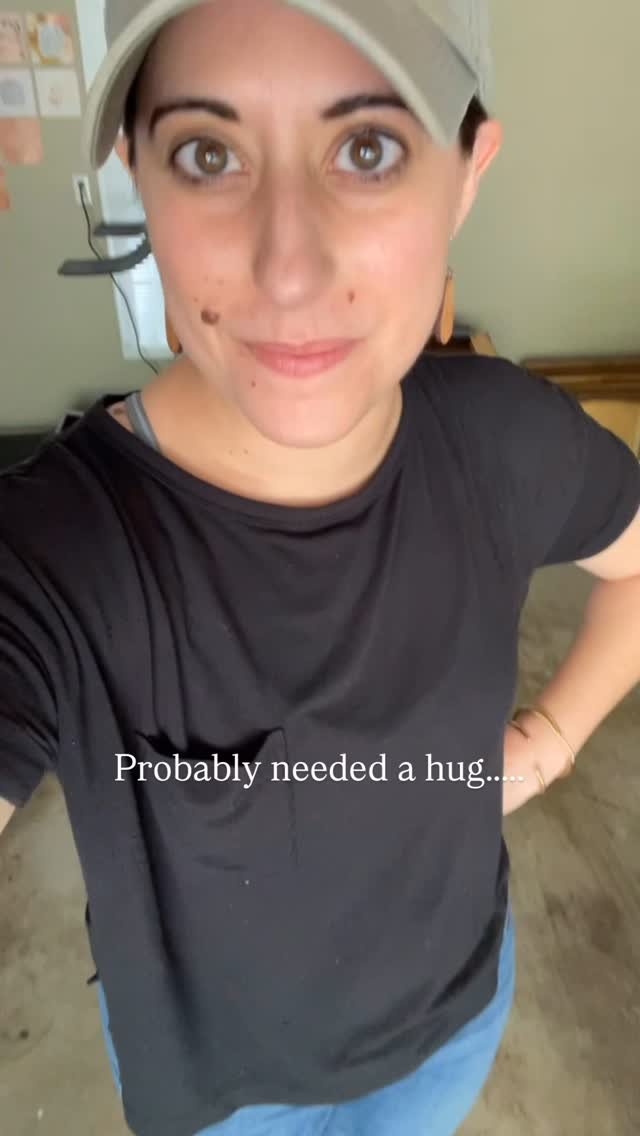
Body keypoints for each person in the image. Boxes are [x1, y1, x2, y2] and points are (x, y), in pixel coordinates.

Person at [2, 1, 640, 1134]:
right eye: (208, 155)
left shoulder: (506, 441)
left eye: (369, 148)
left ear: (468, 173)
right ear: (136, 173)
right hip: (225, 1103)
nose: (287, 271)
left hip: (451, 1032)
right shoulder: (59, 549)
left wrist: (547, 743)